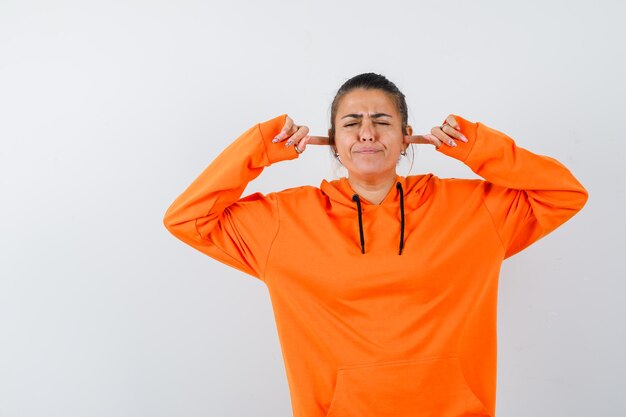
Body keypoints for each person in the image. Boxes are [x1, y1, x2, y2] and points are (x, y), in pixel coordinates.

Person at [163, 73, 588, 417]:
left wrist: (477, 146)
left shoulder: (474, 209)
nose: (367, 133)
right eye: (352, 123)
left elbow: (565, 193)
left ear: (407, 137)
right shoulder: (282, 222)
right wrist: (257, 148)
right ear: (332, 140)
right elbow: (186, 219)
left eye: (382, 121)